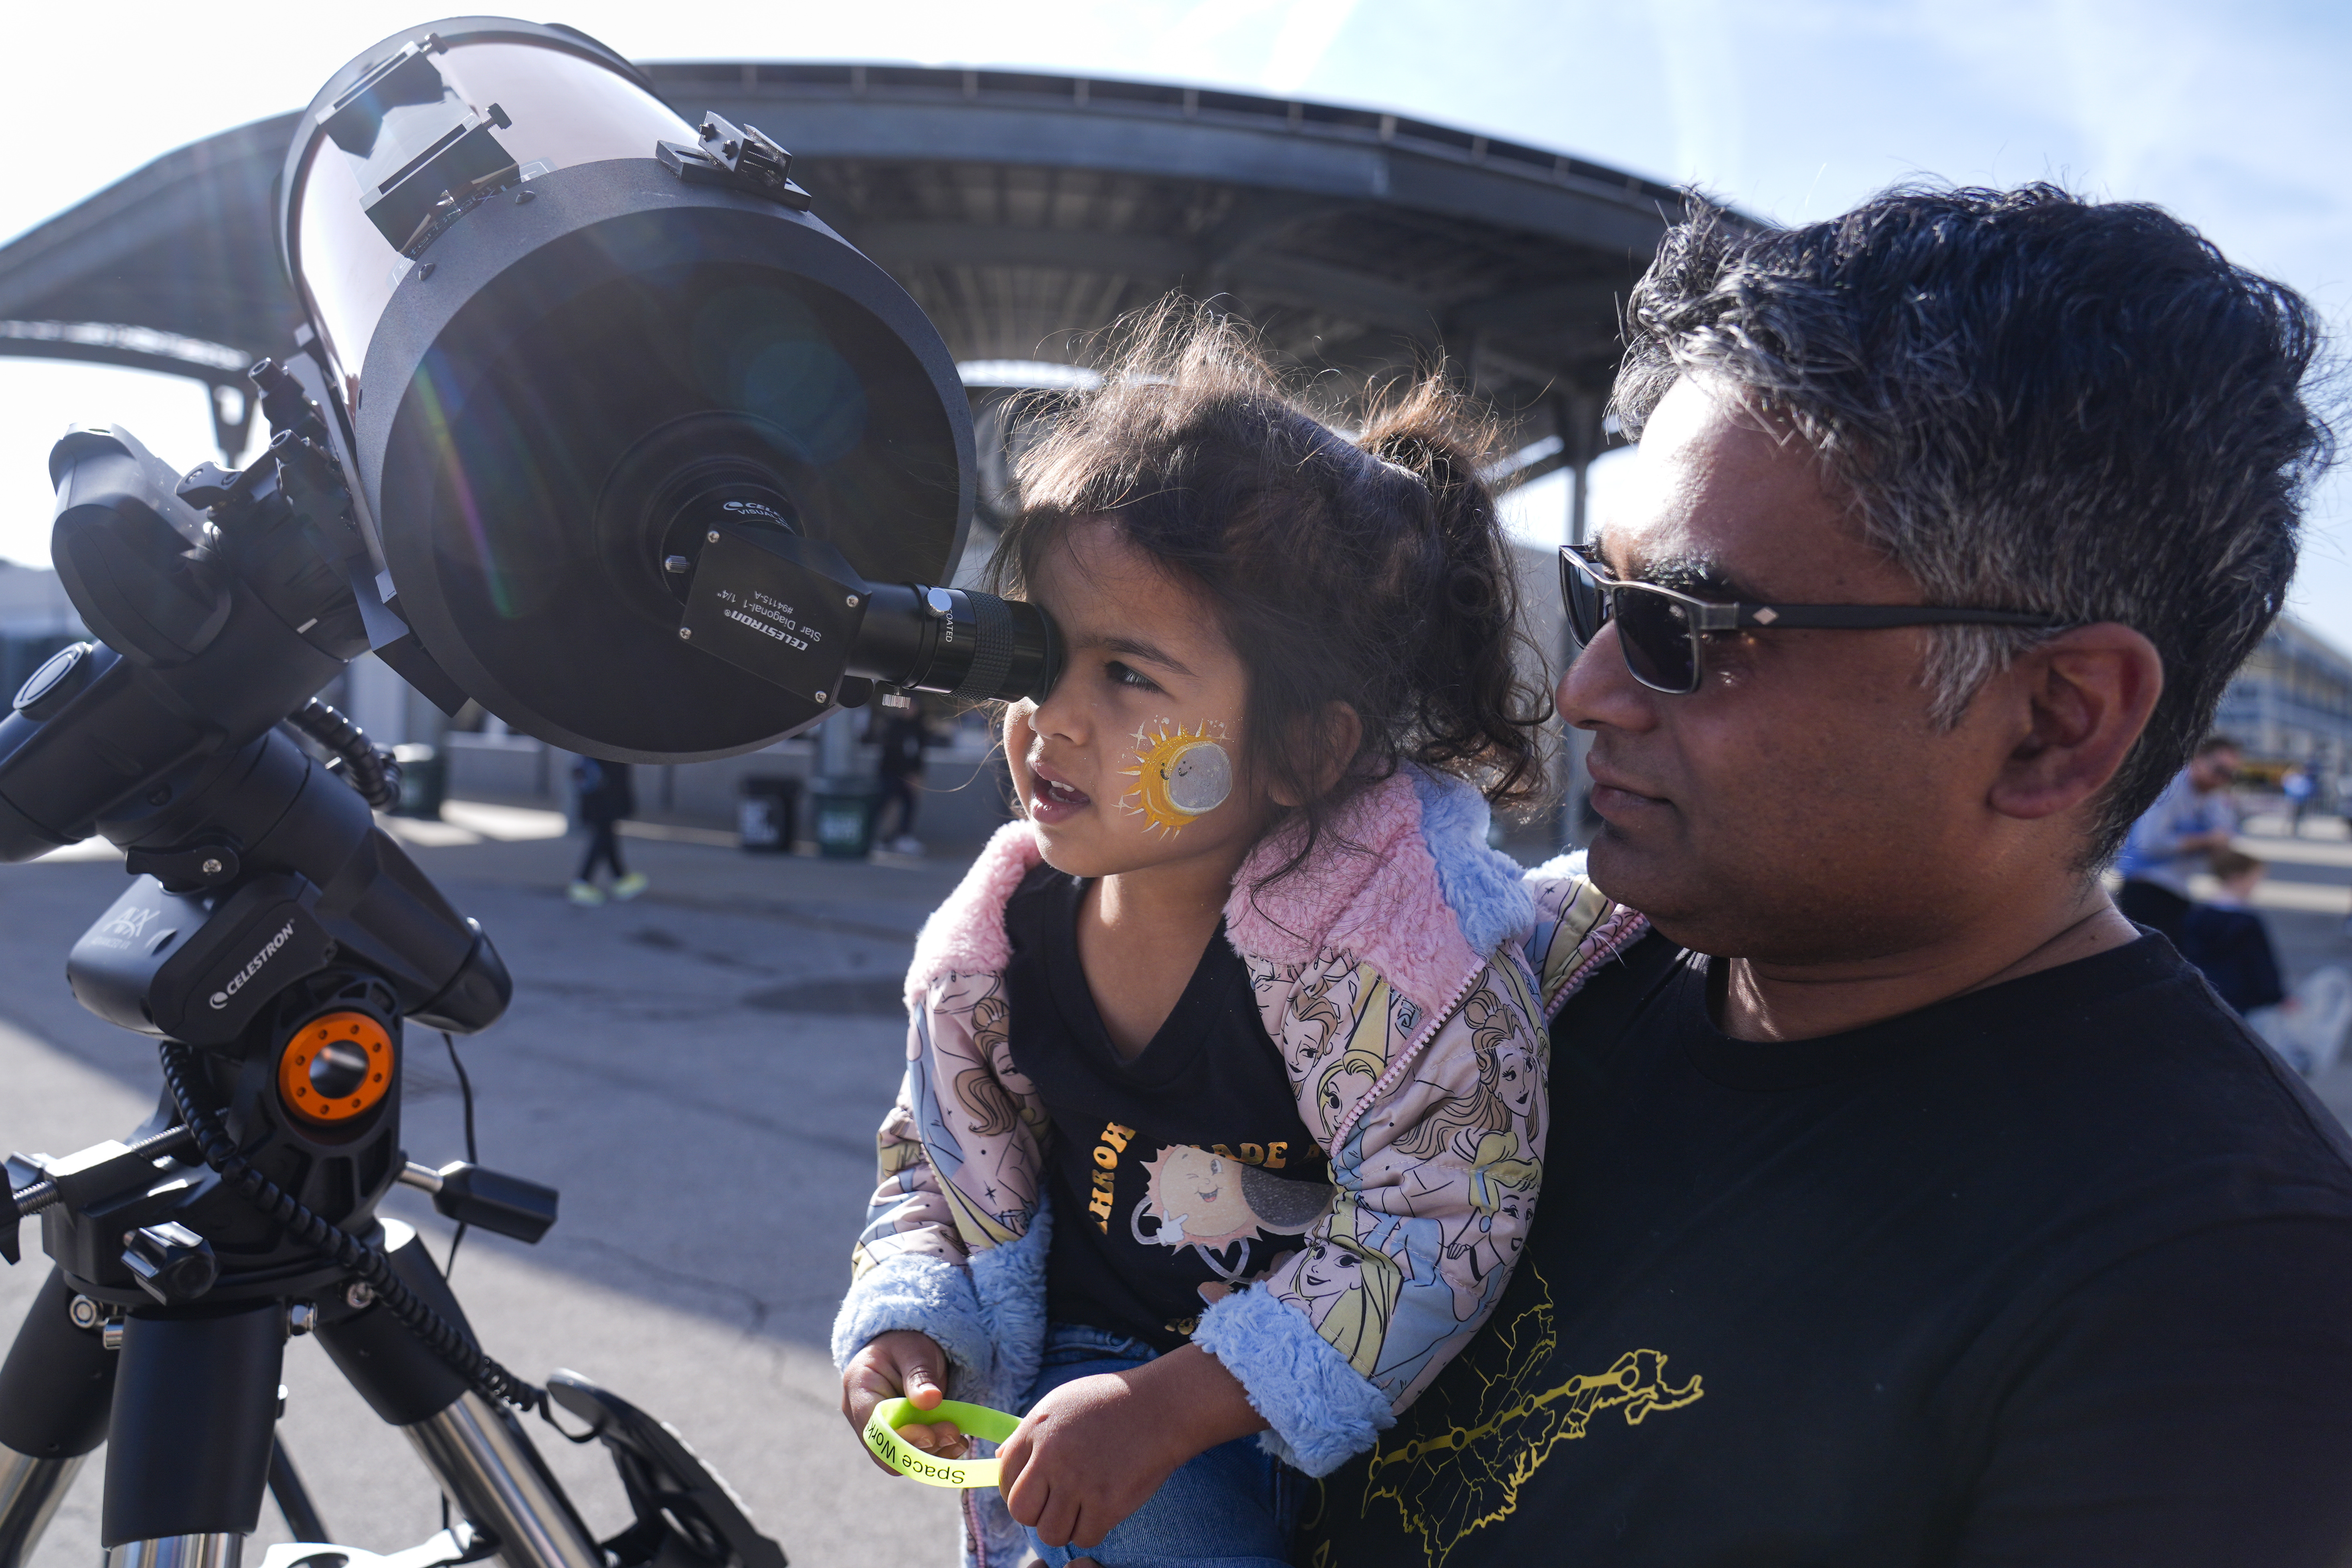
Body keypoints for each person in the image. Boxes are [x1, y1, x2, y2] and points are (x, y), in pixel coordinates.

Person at [1300, 185, 2352, 1566]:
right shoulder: (1547, 974)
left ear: (2051, 722)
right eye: (1598, 597)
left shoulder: (2209, 1302)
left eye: (1684, 623)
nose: (1588, 690)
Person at [831, 302, 1644, 1568]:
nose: (1051, 713)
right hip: (1075, 1377)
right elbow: (934, 1165)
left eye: (1128, 676)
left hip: (1294, 1398)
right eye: (1041, 653)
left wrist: (1173, 1406)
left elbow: (1438, 1221)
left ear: (1303, 747)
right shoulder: (997, 947)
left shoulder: (1395, 965)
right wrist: (908, 1317)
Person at [2112, 733, 2240, 941]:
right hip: (2146, 888)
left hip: (2177, 891)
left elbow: (2225, 836)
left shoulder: (2212, 798)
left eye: (2230, 775)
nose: (2223, 780)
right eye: (2219, 770)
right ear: (2198, 760)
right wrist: (2207, 840)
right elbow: (2148, 843)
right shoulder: (2171, 789)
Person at [2176, 848, 2286, 1014]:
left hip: (2203, 989)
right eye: (2255, 879)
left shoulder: (2197, 915)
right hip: (2241, 997)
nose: (2257, 885)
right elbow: (2260, 964)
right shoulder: (2247, 922)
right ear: (2238, 878)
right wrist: (2276, 996)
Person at [568, 756, 645, 906]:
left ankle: (620, 879)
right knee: (603, 837)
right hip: (604, 796)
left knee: (607, 836)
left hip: (601, 795)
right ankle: (583, 882)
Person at [867, 693, 933, 856]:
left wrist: (916, 774)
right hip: (891, 773)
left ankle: (903, 836)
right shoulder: (894, 726)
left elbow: (918, 755)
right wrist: (906, 774)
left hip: (909, 776)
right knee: (883, 803)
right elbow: (893, 753)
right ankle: (873, 837)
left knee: (909, 805)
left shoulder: (919, 728)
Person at [2283, 763, 2315, 831]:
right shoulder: (2293, 778)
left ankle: (2296, 828)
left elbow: (2308, 788)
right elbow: (2289, 787)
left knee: (2299, 815)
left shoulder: (2303, 778)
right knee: (2292, 815)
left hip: (2301, 799)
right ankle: (2289, 828)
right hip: (2294, 799)